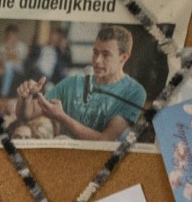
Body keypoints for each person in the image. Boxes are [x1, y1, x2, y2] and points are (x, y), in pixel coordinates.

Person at [14, 22, 149, 142]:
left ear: (123, 57)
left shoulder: (134, 92)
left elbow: (105, 141)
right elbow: (26, 115)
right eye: (95, 52)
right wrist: (26, 97)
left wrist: (62, 117)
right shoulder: (73, 83)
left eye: (106, 55)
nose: (97, 60)